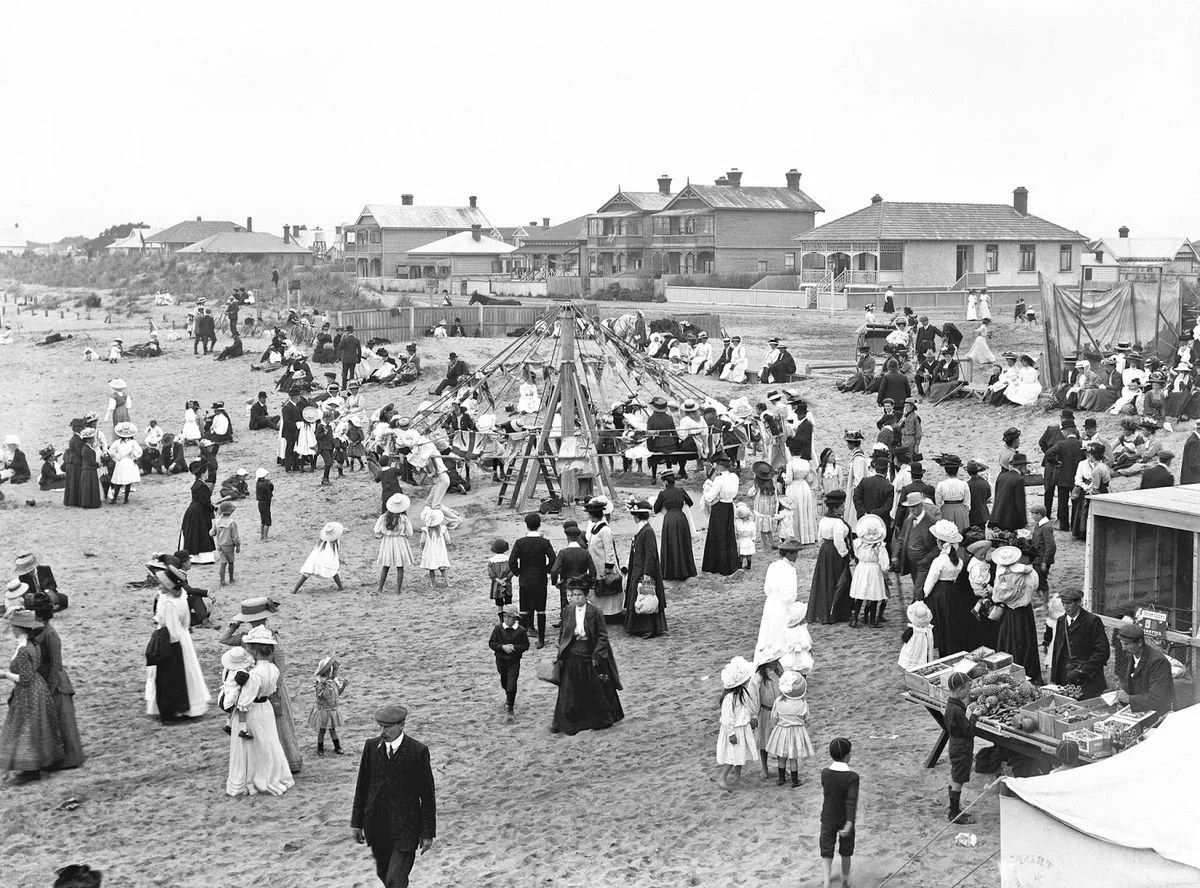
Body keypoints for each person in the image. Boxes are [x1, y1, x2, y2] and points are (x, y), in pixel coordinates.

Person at [351, 703, 437, 888]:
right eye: (380, 726)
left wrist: (427, 832)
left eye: (387, 727)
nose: (383, 731)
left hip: (406, 829)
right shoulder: (371, 747)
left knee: (395, 881)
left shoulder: (417, 751)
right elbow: (362, 787)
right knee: (384, 873)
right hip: (377, 826)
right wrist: (357, 823)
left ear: (401, 725)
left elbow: (427, 796)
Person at [226, 626, 294, 797]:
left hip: (253, 710)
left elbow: (244, 701)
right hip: (266, 708)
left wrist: (236, 712)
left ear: (254, 650)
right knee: (269, 742)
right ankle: (274, 775)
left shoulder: (254, 674)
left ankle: (252, 779)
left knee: (251, 746)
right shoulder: (274, 669)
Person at [552, 581, 623, 735]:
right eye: (573, 595)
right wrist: (561, 649)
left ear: (586, 595)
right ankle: (570, 720)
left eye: (578, 595)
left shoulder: (595, 612)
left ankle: (598, 719)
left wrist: (597, 655)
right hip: (572, 654)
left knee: (596, 687)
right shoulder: (567, 610)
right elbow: (563, 632)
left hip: (590, 653)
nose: (575, 598)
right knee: (569, 690)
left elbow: (602, 636)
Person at [145, 579, 211, 724]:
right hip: (184, 635)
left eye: (162, 583)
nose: (159, 586)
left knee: (169, 677)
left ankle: (173, 710)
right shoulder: (182, 595)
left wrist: (167, 647)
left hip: (171, 639)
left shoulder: (169, 603)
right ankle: (191, 706)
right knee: (188, 672)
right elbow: (186, 622)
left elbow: (171, 630)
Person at [991, 547, 1042, 682]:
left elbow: (998, 597)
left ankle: (1009, 672)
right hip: (1025, 611)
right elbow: (1034, 587)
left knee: (1010, 641)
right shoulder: (1031, 573)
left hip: (1010, 613)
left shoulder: (1002, 575)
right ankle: (1029, 672)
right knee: (1026, 640)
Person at [1047, 588, 1110, 699]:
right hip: (1065, 678)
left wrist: (1083, 671)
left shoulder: (1093, 621)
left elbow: (1102, 652)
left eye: (1069, 603)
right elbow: (1057, 651)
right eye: (1063, 603)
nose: (1065, 607)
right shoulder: (1061, 621)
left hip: (1088, 680)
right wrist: (1054, 679)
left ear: (1078, 603)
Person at [508, 512, 556, 648]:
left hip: (525, 579)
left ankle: (523, 639)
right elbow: (553, 559)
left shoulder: (520, 543)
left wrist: (518, 572)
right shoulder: (544, 542)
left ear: (526, 525)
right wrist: (546, 570)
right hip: (540, 579)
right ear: (539, 525)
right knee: (541, 610)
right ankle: (541, 639)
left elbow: (512, 561)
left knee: (524, 609)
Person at [923, 520, 970, 656]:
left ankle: (943, 648)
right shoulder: (959, 562)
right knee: (952, 622)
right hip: (953, 592)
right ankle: (953, 647)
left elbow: (930, 582)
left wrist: (923, 596)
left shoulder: (939, 561)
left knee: (941, 622)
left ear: (939, 543)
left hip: (939, 594)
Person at [807, 489, 851, 625]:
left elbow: (820, 537)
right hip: (835, 553)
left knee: (825, 580)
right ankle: (837, 613)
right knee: (837, 581)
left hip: (825, 551)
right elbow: (839, 541)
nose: (844, 509)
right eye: (842, 506)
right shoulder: (837, 523)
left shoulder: (824, 520)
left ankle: (825, 612)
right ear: (836, 508)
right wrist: (845, 554)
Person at [819, 737, 859, 888]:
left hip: (828, 817)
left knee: (826, 850)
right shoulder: (852, 777)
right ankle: (845, 880)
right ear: (848, 756)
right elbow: (851, 800)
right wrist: (849, 822)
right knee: (846, 851)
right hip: (844, 818)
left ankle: (827, 882)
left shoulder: (825, 773)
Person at [1114, 623, 1176, 720]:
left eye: (1127, 644)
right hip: (1143, 712)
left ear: (1139, 643)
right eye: (1122, 643)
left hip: (1160, 716)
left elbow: (1156, 698)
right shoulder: (1133, 654)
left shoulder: (1158, 662)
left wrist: (1128, 699)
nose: (1123, 648)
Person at [624, 501, 666, 638]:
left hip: (645, 571)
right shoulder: (643, 530)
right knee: (641, 597)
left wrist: (647, 576)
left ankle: (649, 628)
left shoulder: (647, 531)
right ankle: (640, 627)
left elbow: (650, 555)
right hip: (638, 569)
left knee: (646, 597)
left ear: (637, 516)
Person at [766, 671, 814, 788]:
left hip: (782, 730)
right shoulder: (802, 703)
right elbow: (806, 718)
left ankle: (781, 778)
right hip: (797, 732)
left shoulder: (778, 701)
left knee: (781, 757)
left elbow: (774, 717)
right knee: (793, 758)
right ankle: (794, 780)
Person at [715, 655, 757, 791]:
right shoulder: (729, 699)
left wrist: (752, 717)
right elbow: (727, 719)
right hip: (735, 729)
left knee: (741, 754)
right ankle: (722, 777)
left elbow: (748, 707)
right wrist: (731, 733)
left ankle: (737, 777)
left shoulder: (743, 693)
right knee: (733, 755)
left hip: (743, 727)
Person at [755, 539, 801, 651]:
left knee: (768, 631)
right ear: (789, 554)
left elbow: (767, 589)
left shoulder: (773, 566)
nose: (797, 556)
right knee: (780, 633)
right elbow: (789, 595)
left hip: (770, 602)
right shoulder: (790, 570)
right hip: (782, 605)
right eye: (795, 553)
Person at [943, 672, 976, 824]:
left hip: (956, 745)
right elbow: (969, 730)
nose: (968, 692)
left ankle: (954, 807)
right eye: (967, 689)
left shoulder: (951, 706)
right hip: (962, 748)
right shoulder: (956, 710)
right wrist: (974, 716)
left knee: (956, 776)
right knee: (958, 780)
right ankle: (954, 813)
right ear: (959, 690)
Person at [892, 493, 937, 604]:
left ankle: (918, 609)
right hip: (911, 562)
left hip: (924, 563)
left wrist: (927, 559)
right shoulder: (908, 521)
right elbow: (901, 539)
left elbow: (938, 546)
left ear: (921, 505)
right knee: (918, 586)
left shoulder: (932, 521)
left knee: (918, 589)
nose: (911, 509)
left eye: (914, 506)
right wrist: (895, 555)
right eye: (910, 507)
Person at [653, 472, 697, 580]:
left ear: (666, 482)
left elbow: (656, 508)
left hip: (670, 519)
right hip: (681, 518)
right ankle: (686, 570)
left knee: (671, 544)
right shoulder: (681, 491)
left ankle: (671, 572)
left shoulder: (663, 494)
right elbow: (690, 503)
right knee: (683, 542)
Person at [701, 454, 740, 575]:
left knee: (717, 535)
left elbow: (709, 496)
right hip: (729, 506)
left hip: (719, 508)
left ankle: (717, 566)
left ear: (718, 465)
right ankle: (730, 564)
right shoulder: (734, 477)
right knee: (729, 534)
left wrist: (707, 486)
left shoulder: (719, 479)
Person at [489, 606, 529, 720]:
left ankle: (510, 709)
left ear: (515, 618)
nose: (506, 619)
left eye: (510, 617)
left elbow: (525, 646)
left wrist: (514, 647)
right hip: (500, 660)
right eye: (505, 616)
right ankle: (508, 695)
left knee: (512, 682)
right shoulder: (498, 628)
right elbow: (492, 643)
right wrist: (502, 647)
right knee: (504, 681)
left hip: (514, 661)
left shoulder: (521, 631)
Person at [849, 515, 889, 629]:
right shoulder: (879, 546)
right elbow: (884, 562)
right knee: (874, 595)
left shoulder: (858, 544)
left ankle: (855, 618)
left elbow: (856, 555)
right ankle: (872, 621)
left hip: (861, 568)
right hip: (874, 569)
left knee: (860, 594)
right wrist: (885, 569)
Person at [307, 654, 348, 757]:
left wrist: (343, 686)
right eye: (334, 671)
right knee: (322, 730)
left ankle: (337, 746)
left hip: (332, 710)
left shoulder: (333, 682)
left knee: (332, 729)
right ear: (328, 672)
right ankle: (320, 748)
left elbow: (337, 694)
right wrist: (324, 686)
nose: (336, 673)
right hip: (323, 711)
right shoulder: (321, 684)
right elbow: (323, 696)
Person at [177, 462, 217, 564]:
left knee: (195, 532)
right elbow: (205, 502)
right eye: (206, 472)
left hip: (195, 510)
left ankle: (195, 556)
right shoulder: (201, 486)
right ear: (203, 473)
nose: (208, 473)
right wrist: (214, 508)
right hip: (199, 512)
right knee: (201, 532)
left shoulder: (197, 484)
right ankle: (202, 557)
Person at [1070, 442, 1111, 540]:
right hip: (1085, 489)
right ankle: (1082, 533)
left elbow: (1098, 483)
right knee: (1083, 512)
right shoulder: (1083, 464)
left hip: (1095, 491)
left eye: (1089, 453)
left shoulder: (1099, 467)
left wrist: (1092, 488)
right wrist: (1086, 487)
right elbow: (1078, 479)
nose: (1087, 455)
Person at [292, 522, 345, 593]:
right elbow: (335, 554)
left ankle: (295, 590)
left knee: (306, 574)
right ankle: (340, 587)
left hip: (315, 559)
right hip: (328, 560)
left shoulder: (321, 542)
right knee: (335, 571)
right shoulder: (335, 542)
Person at [989, 451, 1028, 531]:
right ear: (1021, 466)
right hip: (1010, 520)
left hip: (996, 516)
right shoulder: (1019, 479)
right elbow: (1020, 503)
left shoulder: (1001, 476)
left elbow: (997, 497)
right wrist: (1023, 522)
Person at [898, 600, 935, 671]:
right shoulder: (928, 629)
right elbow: (930, 644)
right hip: (924, 651)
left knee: (911, 661)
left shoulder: (912, 629)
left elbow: (904, 638)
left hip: (912, 651)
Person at [211, 501, 241, 588]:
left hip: (219, 545)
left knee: (223, 563)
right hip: (229, 545)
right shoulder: (232, 522)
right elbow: (235, 537)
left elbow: (212, 533)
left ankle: (222, 581)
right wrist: (238, 545)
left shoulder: (217, 521)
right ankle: (231, 578)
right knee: (231, 562)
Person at [340, 324, 362, 389]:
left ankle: (344, 387)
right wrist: (358, 359)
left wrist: (342, 339)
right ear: (352, 332)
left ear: (348, 332)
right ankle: (351, 386)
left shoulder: (345, 340)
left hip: (346, 359)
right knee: (352, 373)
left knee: (344, 373)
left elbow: (340, 347)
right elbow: (359, 351)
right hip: (353, 359)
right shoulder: (356, 340)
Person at [255, 468, 273, 542]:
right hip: (265, 502)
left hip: (261, 503)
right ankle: (265, 537)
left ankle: (262, 536)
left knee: (263, 520)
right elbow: (270, 489)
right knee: (267, 521)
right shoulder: (265, 484)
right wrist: (269, 483)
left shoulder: (258, 483)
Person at [1181, 419, 1200, 485]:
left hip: (1190, 477)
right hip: (1193, 478)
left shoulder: (1193, 439)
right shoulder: (1194, 442)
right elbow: (1194, 463)